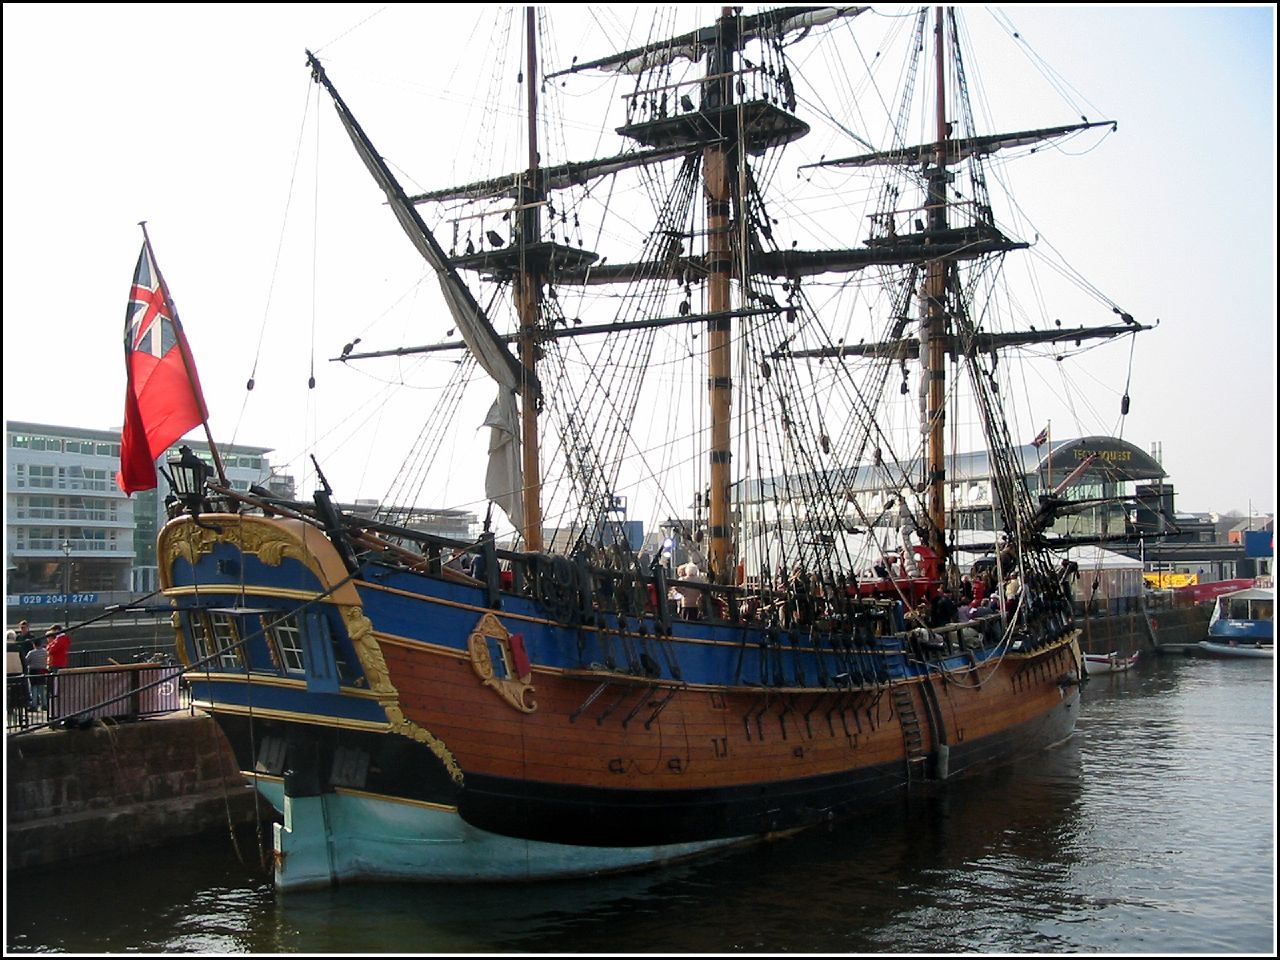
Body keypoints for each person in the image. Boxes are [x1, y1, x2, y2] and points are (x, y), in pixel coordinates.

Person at [25, 635, 50, 711]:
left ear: (34, 644)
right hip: (42, 670)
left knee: (34, 688)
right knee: (42, 688)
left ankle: (34, 705)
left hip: (33, 671)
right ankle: (44, 704)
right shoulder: (45, 652)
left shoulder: (31, 653)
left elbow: (26, 661)